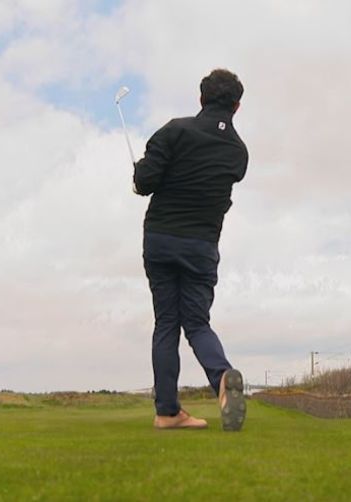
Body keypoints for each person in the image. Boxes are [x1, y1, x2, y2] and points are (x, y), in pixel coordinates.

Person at [133, 69, 248, 431]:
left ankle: (167, 412)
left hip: (161, 238)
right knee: (197, 322)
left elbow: (144, 182)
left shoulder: (174, 131)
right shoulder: (238, 153)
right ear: (237, 106)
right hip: (201, 245)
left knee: (167, 322)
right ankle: (221, 380)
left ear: (201, 99)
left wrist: (139, 171)